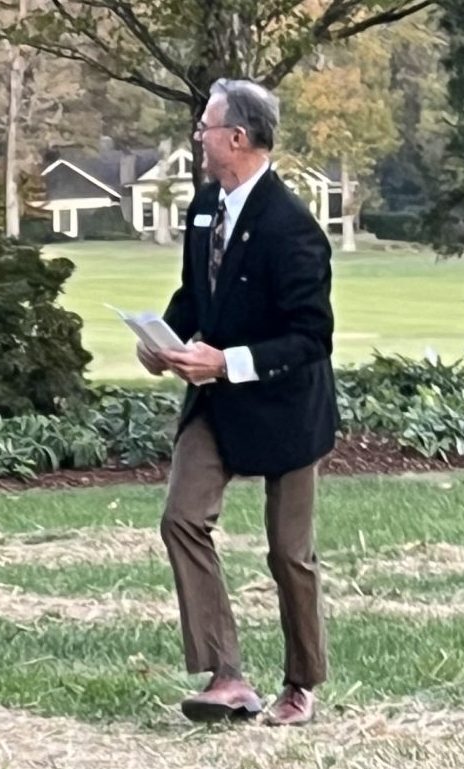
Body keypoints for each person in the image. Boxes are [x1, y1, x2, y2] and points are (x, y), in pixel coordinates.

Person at [140, 79, 337, 726]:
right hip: (214, 403)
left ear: (239, 138)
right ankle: (227, 676)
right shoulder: (204, 206)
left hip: (286, 409)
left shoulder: (293, 229)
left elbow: (311, 337)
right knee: (181, 518)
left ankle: (301, 683)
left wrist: (227, 362)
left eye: (205, 127)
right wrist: (163, 341)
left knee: (289, 553)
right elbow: (195, 294)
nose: (197, 137)